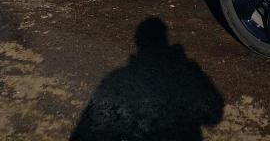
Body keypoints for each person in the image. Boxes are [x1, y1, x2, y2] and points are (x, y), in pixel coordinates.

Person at [71, 17, 224, 141]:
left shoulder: (117, 79)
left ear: (138, 43)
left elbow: (91, 129)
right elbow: (214, 115)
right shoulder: (187, 72)